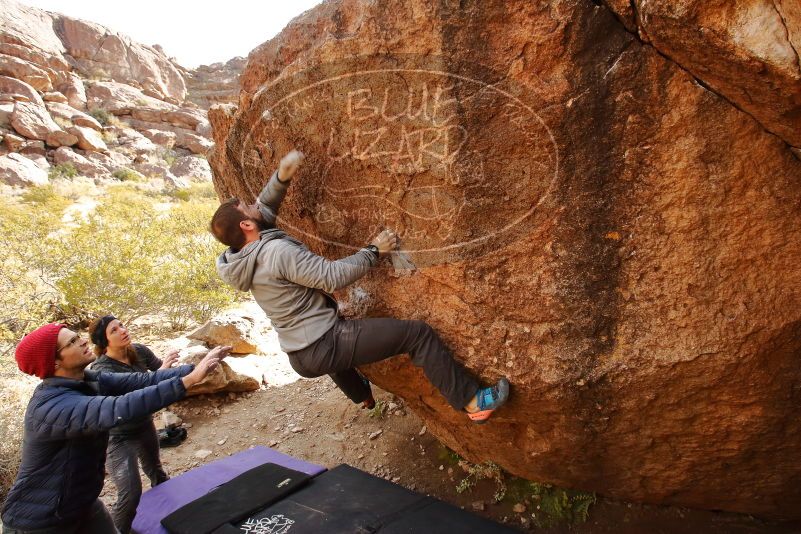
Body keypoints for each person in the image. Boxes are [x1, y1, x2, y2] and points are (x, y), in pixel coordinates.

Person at [210, 150, 510, 423]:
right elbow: (332, 277)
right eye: (247, 208)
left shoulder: (240, 256)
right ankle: (472, 402)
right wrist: (374, 250)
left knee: (331, 348)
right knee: (418, 335)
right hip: (324, 345)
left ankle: (361, 396)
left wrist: (282, 176)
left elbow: (265, 206)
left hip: (298, 353)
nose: (254, 204)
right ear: (247, 226)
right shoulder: (276, 253)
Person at [0, 323, 230, 534]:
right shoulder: (51, 406)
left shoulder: (87, 379)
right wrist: (187, 382)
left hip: (82, 504)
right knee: (129, 492)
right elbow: (120, 407)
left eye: (77, 337)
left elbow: (142, 381)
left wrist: (196, 368)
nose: (81, 341)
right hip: (39, 523)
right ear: (54, 362)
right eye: (70, 342)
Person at [87, 315, 178, 534]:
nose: (122, 330)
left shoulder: (138, 351)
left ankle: (175, 517)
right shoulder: (101, 370)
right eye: (114, 330)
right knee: (130, 492)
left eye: (121, 325)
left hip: (144, 424)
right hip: (116, 436)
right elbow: (131, 397)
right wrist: (161, 373)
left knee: (158, 474)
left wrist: (169, 369)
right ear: (104, 341)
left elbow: (159, 373)